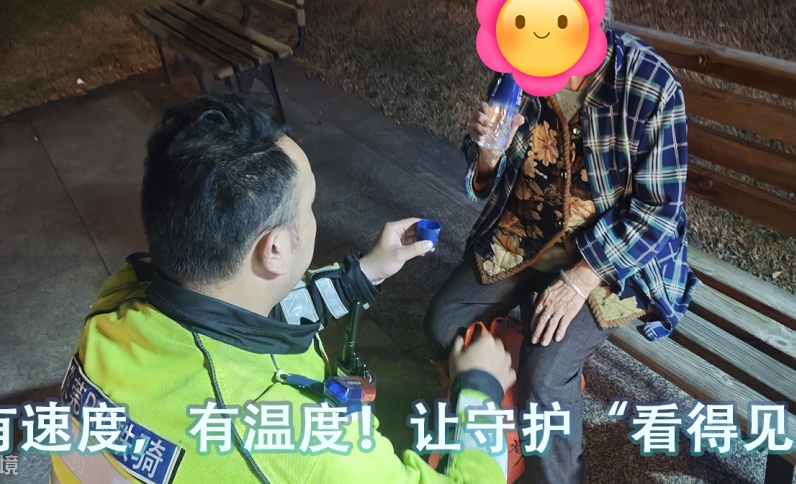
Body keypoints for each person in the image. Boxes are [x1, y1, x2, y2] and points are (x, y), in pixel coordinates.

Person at [50, 94, 516, 483]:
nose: (312, 218)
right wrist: (479, 389)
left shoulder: (121, 299)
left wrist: (363, 274)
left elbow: (252, 315)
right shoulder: (302, 445)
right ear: (273, 249)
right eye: (309, 206)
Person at [424, 0, 699, 483]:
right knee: (443, 322)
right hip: (527, 235)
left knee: (546, 372)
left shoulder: (647, 84)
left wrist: (578, 279)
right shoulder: (515, 70)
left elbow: (659, 213)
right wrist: (488, 154)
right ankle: (498, 435)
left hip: (612, 257)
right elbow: (484, 180)